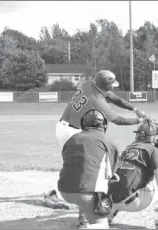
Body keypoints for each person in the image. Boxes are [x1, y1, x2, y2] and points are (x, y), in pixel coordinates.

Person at [44, 70, 150, 226]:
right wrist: (139, 121)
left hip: (67, 126)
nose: (112, 89)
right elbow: (117, 119)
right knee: (87, 166)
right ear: (105, 86)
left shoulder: (89, 85)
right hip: (72, 131)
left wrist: (134, 109)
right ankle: (72, 205)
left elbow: (113, 97)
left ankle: (64, 194)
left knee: (81, 166)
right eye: (111, 85)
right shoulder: (97, 102)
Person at [106, 120, 158, 229]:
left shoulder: (128, 148)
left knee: (124, 181)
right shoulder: (153, 150)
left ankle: (108, 216)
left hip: (110, 203)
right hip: (134, 202)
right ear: (153, 137)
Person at [57, 109, 120, 229]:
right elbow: (111, 173)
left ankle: (84, 219)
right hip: (86, 194)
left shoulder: (71, 139)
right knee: (102, 225)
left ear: (83, 123)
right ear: (104, 125)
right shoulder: (108, 141)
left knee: (86, 177)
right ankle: (88, 222)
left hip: (64, 190)